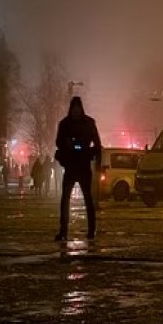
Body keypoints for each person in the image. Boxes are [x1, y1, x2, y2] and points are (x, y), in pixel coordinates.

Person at [54, 96, 102, 241]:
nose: (76, 112)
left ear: (80, 109)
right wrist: (67, 145)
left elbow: (98, 145)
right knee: (66, 199)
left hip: (82, 165)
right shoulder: (65, 124)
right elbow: (58, 142)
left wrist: (88, 152)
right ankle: (63, 230)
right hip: (71, 165)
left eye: (78, 109)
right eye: (74, 109)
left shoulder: (86, 123)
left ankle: (91, 230)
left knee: (88, 198)